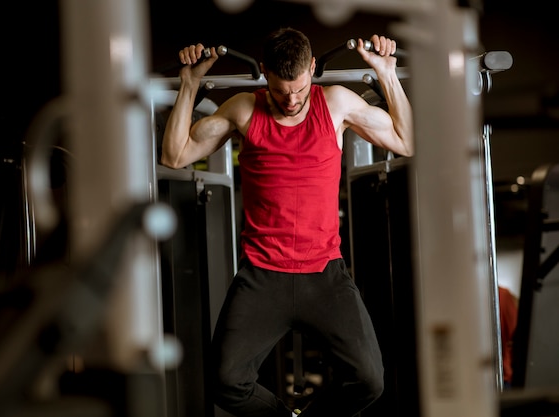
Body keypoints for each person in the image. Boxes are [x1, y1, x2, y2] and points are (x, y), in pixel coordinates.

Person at [161, 27, 413, 417]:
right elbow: (176, 156)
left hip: (324, 274)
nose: (292, 99)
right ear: (264, 73)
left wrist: (387, 72)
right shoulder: (245, 109)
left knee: (369, 380)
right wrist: (190, 84)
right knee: (225, 383)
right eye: (281, 90)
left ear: (312, 68)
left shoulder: (335, 104)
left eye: (298, 88)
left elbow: (406, 141)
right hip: (262, 276)